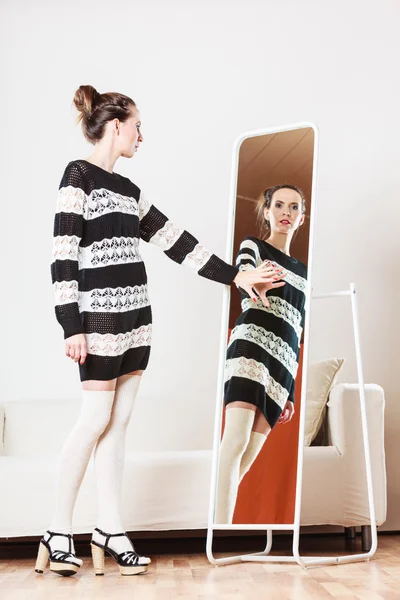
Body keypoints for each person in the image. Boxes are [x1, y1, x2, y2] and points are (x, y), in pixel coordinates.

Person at [35, 85, 278, 577]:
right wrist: (70, 325)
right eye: (138, 125)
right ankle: (58, 529)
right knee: (94, 419)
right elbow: (62, 255)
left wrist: (236, 275)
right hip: (97, 323)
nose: (142, 136)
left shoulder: (129, 191)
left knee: (118, 425)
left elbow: (176, 242)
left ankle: (110, 528)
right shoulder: (76, 176)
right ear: (116, 124)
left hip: (137, 322)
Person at [215, 184, 308, 524]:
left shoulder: (306, 275)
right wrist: (253, 279)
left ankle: (213, 524)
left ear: (300, 218)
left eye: (294, 207)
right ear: (267, 211)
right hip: (250, 347)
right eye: (279, 205)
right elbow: (243, 274)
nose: (286, 211)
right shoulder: (253, 247)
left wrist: (292, 393)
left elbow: (298, 331)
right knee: (234, 442)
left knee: (246, 458)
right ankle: (218, 533)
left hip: (283, 368)